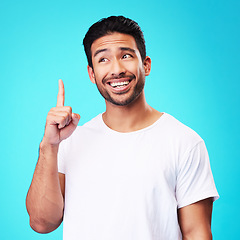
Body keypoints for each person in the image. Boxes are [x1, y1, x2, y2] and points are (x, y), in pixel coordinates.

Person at [26, 16, 219, 240]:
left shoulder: (184, 142)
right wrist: (49, 146)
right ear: (92, 74)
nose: (116, 69)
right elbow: (42, 223)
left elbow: (197, 233)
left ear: (145, 65)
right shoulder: (68, 141)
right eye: (103, 60)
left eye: (126, 56)